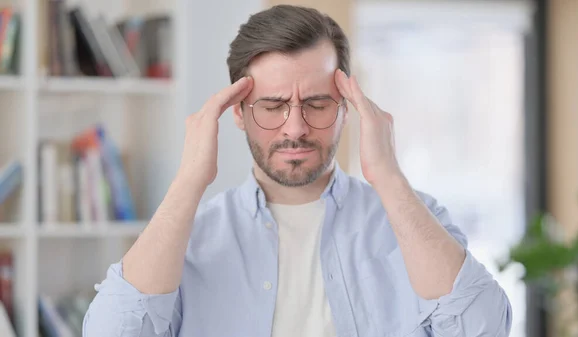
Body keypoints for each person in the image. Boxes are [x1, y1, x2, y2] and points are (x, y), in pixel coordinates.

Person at [82, 5, 512, 337]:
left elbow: (484, 327)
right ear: (237, 112)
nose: (296, 128)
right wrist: (189, 180)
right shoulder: (190, 237)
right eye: (271, 106)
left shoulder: (413, 219)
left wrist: (388, 177)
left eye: (317, 104)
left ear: (347, 106)